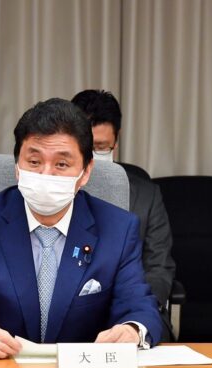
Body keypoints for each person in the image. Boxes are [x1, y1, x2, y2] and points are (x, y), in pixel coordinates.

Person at [0, 98, 161, 368]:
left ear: (86, 171)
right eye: (34, 162)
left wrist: (132, 330)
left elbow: (141, 308)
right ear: (17, 166)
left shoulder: (117, 228)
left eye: (62, 164)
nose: (46, 175)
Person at [72, 89, 176, 342]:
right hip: (68, 313)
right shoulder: (54, 190)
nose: (92, 156)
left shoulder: (146, 196)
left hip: (131, 309)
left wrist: (135, 313)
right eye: (86, 147)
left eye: (101, 147)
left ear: (115, 143)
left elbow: (159, 267)